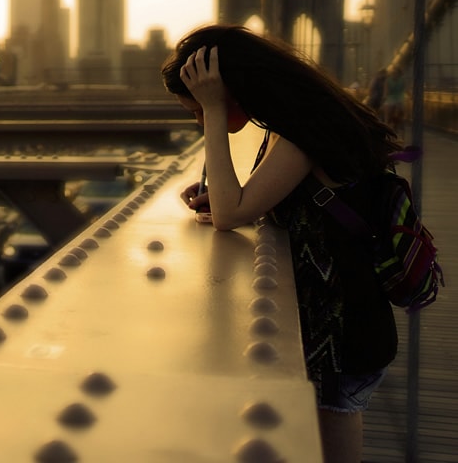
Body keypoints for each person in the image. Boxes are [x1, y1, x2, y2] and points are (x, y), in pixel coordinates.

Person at [161, 24, 401, 463]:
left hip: (345, 330)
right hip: (340, 324)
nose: (198, 121)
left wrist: (214, 114)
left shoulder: (304, 129)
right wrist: (232, 197)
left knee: (333, 434)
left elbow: (232, 217)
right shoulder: (293, 120)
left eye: (196, 111)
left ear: (229, 90)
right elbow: (261, 202)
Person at [383, 65, 407, 136]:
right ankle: (400, 123)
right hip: (398, 98)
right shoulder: (401, 80)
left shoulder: (388, 80)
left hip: (394, 98)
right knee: (401, 110)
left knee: (388, 112)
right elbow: (405, 89)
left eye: (395, 73)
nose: (394, 74)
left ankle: (387, 125)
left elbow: (385, 92)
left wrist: (384, 98)